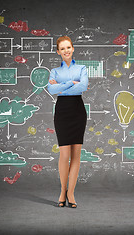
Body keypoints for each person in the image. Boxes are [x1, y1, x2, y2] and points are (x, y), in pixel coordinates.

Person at [47, 36, 89, 208]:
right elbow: (51, 89)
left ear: (73, 49)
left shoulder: (82, 68)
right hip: (62, 111)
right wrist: (71, 83)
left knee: (76, 155)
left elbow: (83, 87)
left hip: (78, 110)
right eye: (62, 48)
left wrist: (61, 85)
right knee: (64, 155)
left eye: (68, 47)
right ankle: (62, 190)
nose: (66, 51)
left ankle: (71, 193)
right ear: (58, 52)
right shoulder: (54, 71)